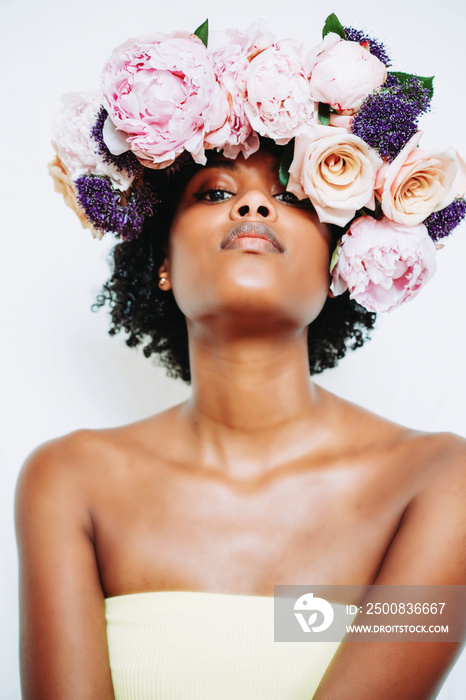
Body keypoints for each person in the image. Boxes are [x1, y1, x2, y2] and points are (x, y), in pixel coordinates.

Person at [15, 15, 466, 700]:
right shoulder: (69, 481)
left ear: (340, 260)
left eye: (290, 194)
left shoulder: (441, 483)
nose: (254, 204)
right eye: (216, 192)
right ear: (160, 260)